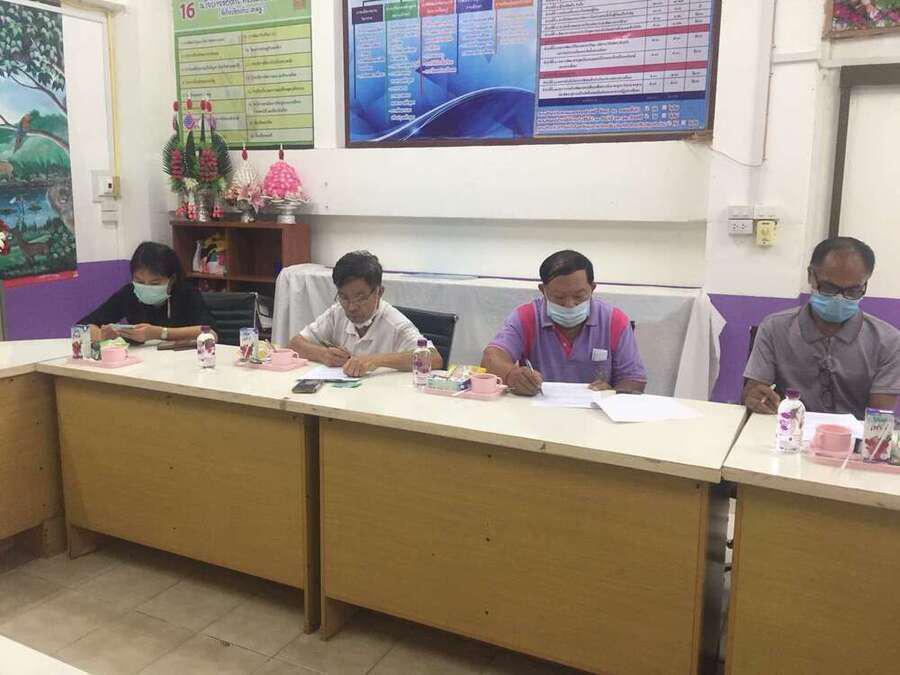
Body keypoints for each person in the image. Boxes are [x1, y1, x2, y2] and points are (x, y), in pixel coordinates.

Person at [743, 236, 900, 419]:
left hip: (853, 435)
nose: (839, 298)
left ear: (865, 283)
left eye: (853, 291)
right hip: (788, 429)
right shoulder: (774, 328)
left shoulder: (888, 342)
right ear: (811, 276)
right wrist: (754, 397)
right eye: (829, 288)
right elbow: (753, 392)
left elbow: (878, 420)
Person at [481, 250, 647, 396]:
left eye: (579, 296)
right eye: (559, 297)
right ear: (543, 290)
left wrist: (611, 395)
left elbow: (634, 380)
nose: (569, 304)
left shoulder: (614, 321)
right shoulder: (526, 317)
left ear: (592, 288)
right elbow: (490, 358)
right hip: (537, 412)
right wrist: (512, 376)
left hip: (596, 413)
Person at [289, 250, 442, 376]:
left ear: (379, 292)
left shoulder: (395, 323)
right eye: (344, 297)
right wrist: (322, 354)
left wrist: (375, 360)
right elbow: (295, 344)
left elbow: (434, 359)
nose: (351, 307)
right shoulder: (337, 313)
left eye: (360, 298)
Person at [80, 241, 213, 344]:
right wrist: (102, 335)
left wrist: (160, 333)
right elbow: (82, 327)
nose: (146, 287)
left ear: (172, 279)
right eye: (139, 281)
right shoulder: (129, 293)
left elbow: (210, 333)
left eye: (155, 283)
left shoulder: (186, 293)